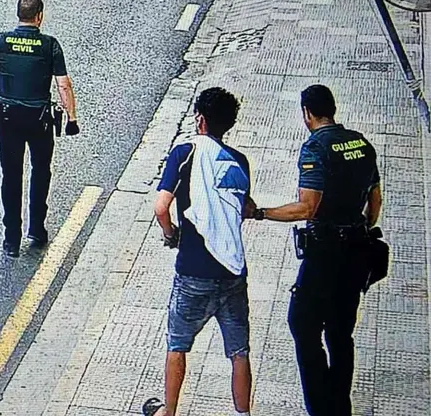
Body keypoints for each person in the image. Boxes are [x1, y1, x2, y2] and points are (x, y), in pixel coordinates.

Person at [249, 85, 382, 415]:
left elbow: (307, 208)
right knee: (340, 332)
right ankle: (340, 405)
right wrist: (360, 229)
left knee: (303, 325)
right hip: (356, 249)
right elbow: (374, 200)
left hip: (325, 254)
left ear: (307, 113)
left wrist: (261, 212)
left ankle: (322, 408)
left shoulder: (315, 147)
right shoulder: (360, 143)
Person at [144, 87, 254, 416]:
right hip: (232, 271)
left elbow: (161, 207)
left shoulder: (185, 153)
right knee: (239, 351)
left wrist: (170, 234)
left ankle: (169, 412)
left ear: (201, 120)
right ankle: (242, 413)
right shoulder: (240, 161)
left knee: (177, 344)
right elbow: (243, 207)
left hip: (193, 270)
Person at [0, 0, 78, 258]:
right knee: (40, 170)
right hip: (39, 121)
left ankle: (11, 239)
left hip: (8, 119)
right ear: (40, 16)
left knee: (11, 177)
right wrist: (72, 118)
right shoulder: (49, 45)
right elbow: (63, 84)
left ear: (18, 15)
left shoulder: (0, 41)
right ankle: (37, 228)